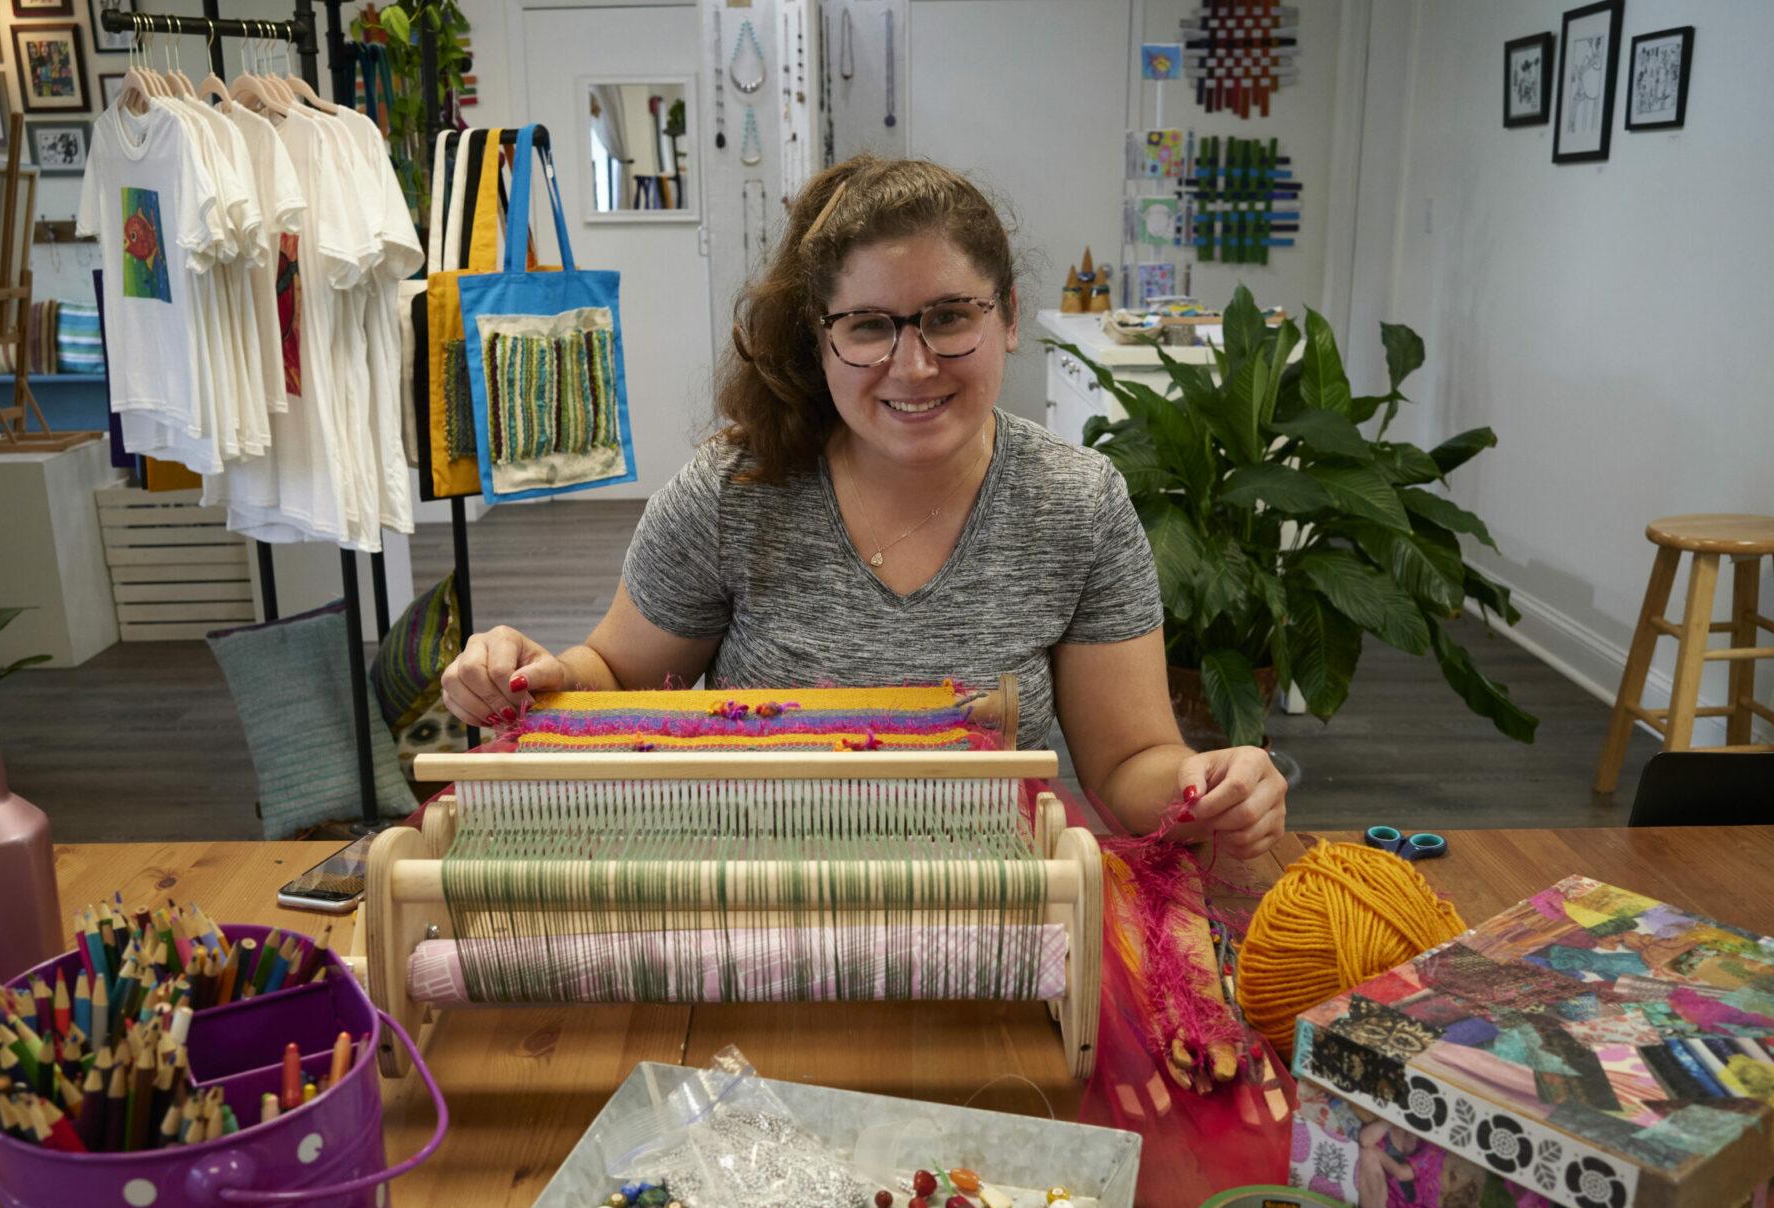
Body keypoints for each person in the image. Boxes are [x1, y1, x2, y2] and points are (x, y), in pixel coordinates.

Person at [443, 154, 1287, 858]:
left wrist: (1200, 785)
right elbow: (619, 678)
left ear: (1011, 319)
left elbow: (1129, 760)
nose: (914, 365)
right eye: (870, 327)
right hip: (750, 904)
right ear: (821, 338)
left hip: (985, 921)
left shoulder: (1078, 506)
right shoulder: (735, 491)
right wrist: (536, 675)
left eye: (950, 316)